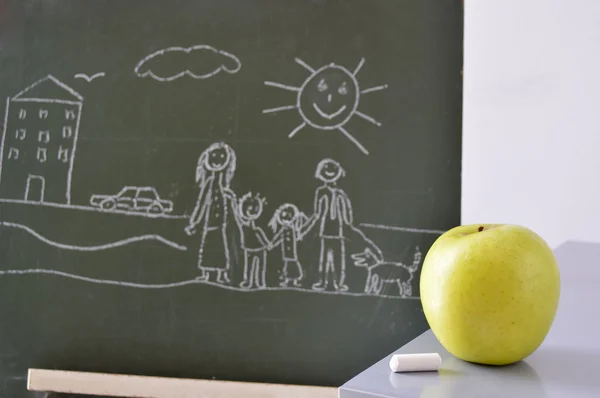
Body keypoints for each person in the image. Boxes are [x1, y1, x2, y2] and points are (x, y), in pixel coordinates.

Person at [185, 142, 237, 284]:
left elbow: (232, 203)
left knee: (220, 247)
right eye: (213, 156)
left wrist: (231, 198)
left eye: (221, 157)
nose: (217, 160)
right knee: (207, 246)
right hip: (210, 223)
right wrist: (194, 222)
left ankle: (221, 274)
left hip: (220, 223)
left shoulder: (226, 183)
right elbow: (202, 202)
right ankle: (206, 273)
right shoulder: (210, 182)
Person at [304, 158, 353, 292]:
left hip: (338, 232)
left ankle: (339, 283)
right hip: (325, 231)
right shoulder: (321, 191)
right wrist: (305, 229)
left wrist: (348, 227)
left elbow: (346, 215)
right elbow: (317, 213)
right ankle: (322, 282)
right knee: (324, 259)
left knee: (338, 258)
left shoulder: (341, 194)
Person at [234, 192, 270, 289]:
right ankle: (249, 282)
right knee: (249, 266)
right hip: (249, 248)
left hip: (259, 248)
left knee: (260, 266)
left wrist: (267, 244)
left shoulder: (256, 227)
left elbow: (260, 235)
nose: (250, 211)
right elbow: (238, 219)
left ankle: (260, 282)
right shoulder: (245, 225)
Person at [268, 203, 308, 288]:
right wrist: (272, 244)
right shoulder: (284, 229)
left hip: (293, 252)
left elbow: (299, 235)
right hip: (286, 252)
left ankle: (294, 280)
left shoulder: (294, 229)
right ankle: (287, 280)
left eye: (288, 218)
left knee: (292, 264)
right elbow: (278, 238)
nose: (286, 221)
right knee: (287, 265)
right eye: (284, 219)